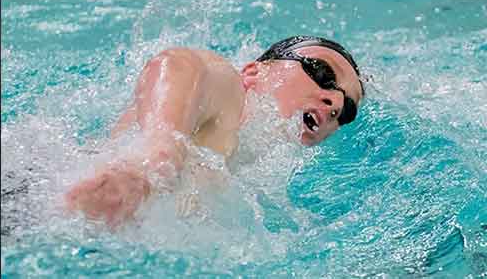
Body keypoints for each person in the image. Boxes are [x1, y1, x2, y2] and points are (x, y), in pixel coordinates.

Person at [64, 35, 365, 227]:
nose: (335, 101)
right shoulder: (232, 97)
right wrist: (156, 156)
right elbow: (178, 64)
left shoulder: (262, 186)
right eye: (322, 73)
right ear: (254, 71)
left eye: (347, 110)